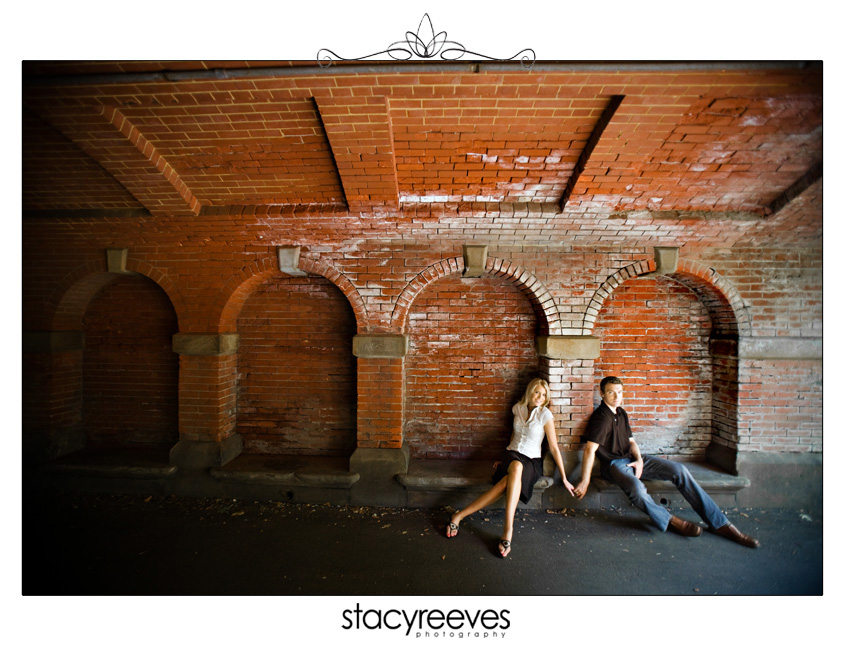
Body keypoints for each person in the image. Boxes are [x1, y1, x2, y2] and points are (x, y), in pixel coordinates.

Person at [573, 376, 759, 547]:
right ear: (602, 393)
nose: (616, 396)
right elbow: (590, 449)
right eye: (611, 392)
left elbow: (631, 442)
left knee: (679, 470)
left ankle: (719, 523)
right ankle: (669, 520)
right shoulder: (601, 417)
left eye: (619, 392)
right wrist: (585, 480)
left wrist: (639, 460)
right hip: (614, 464)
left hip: (632, 459)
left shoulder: (621, 413)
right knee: (637, 489)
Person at [446, 378, 575, 557]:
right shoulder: (517, 408)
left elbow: (553, 447)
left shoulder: (545, 415)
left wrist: (565, 477)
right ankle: (507, 530)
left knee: (511, 476)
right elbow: (514, 436)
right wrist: (502, 458)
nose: (540, 397)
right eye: (537, 392)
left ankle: (460, 516)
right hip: (512, 454)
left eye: (544, 394)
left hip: (531, 461)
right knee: (514, 465)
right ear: (530, 391)